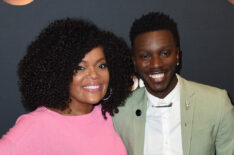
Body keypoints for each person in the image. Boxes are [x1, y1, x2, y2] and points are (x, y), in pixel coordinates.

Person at [0, 18, 134, 155]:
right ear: (59, 72)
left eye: (101, 66)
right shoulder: (38, 125)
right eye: (80, 68)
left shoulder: (109, 115)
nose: (94, 75)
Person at [113, 12, 234, 155]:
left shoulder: (216, 103)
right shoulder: (120, 112)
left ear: (177, 55)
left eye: (164, 53)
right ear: (134, 62)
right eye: (145, 56)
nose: (156, 64)